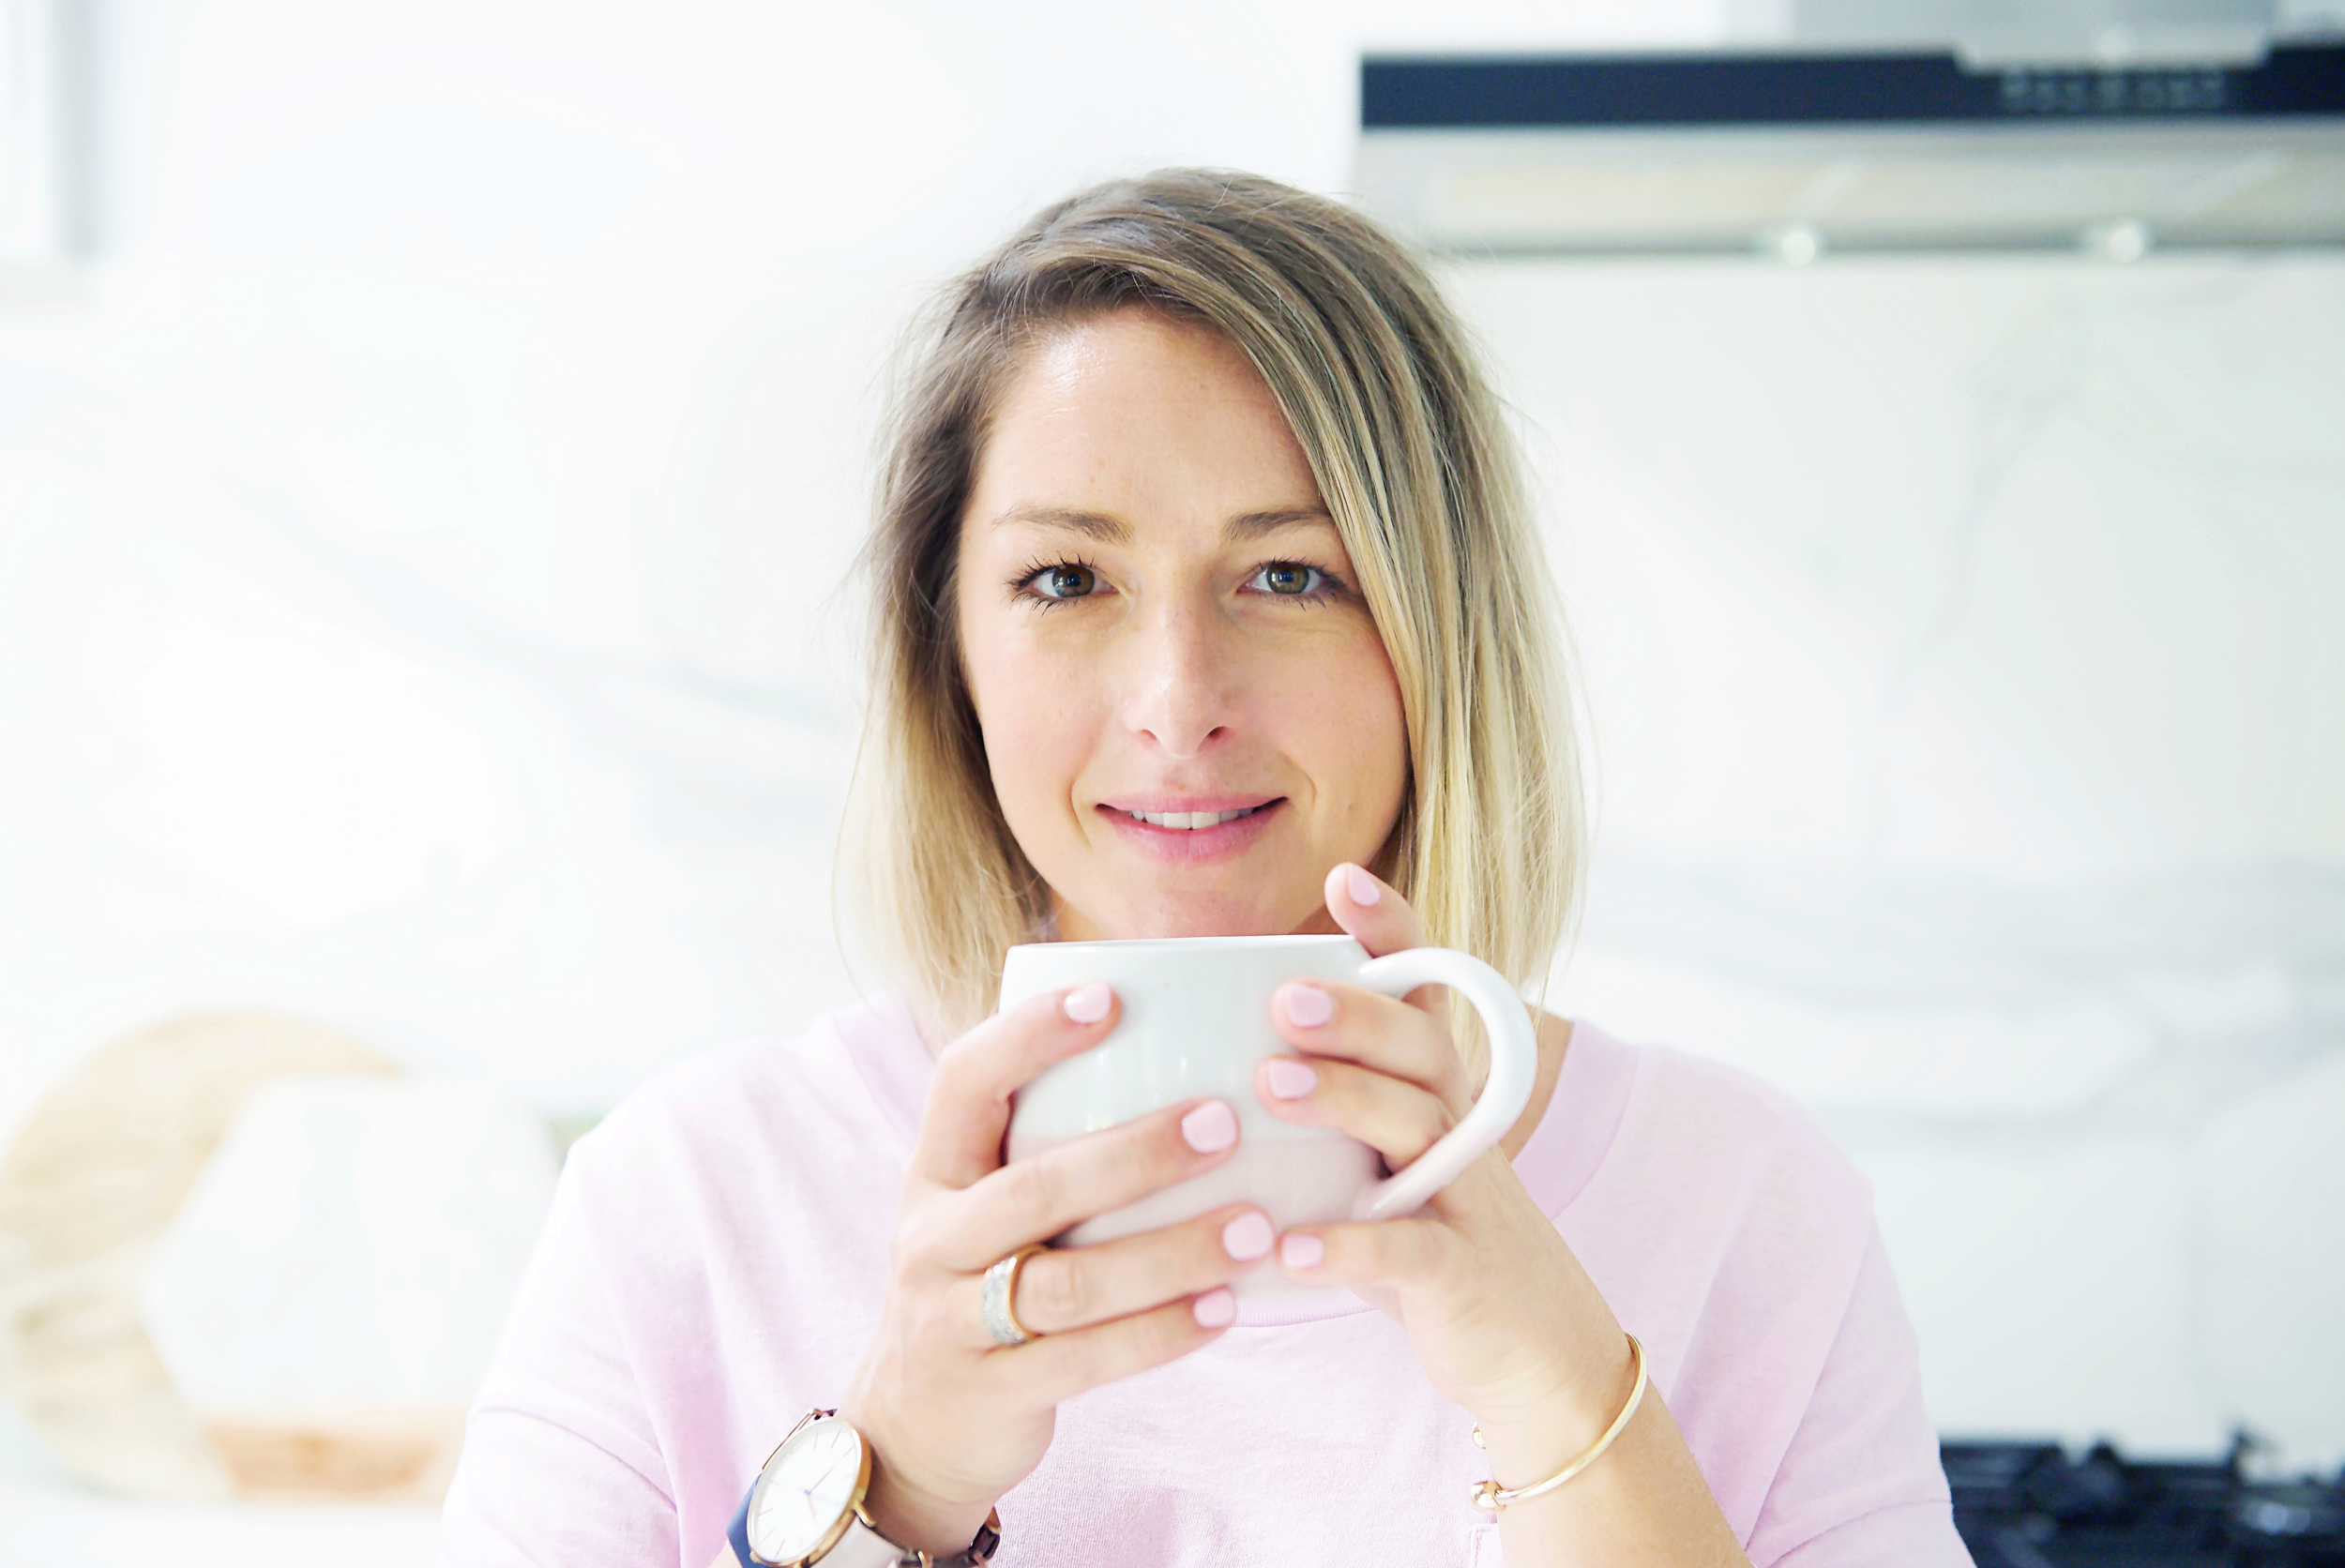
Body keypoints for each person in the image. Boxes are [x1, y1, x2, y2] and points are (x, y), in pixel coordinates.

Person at [436, 170, 1972, 1568]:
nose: (1178, 703)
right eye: (1066, 578)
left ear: (1438, 637)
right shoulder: (685, 1206)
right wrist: (890, 1490)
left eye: (1290, 574)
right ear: (948, 653)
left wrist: (1561, 1388)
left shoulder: (1749, 1209)